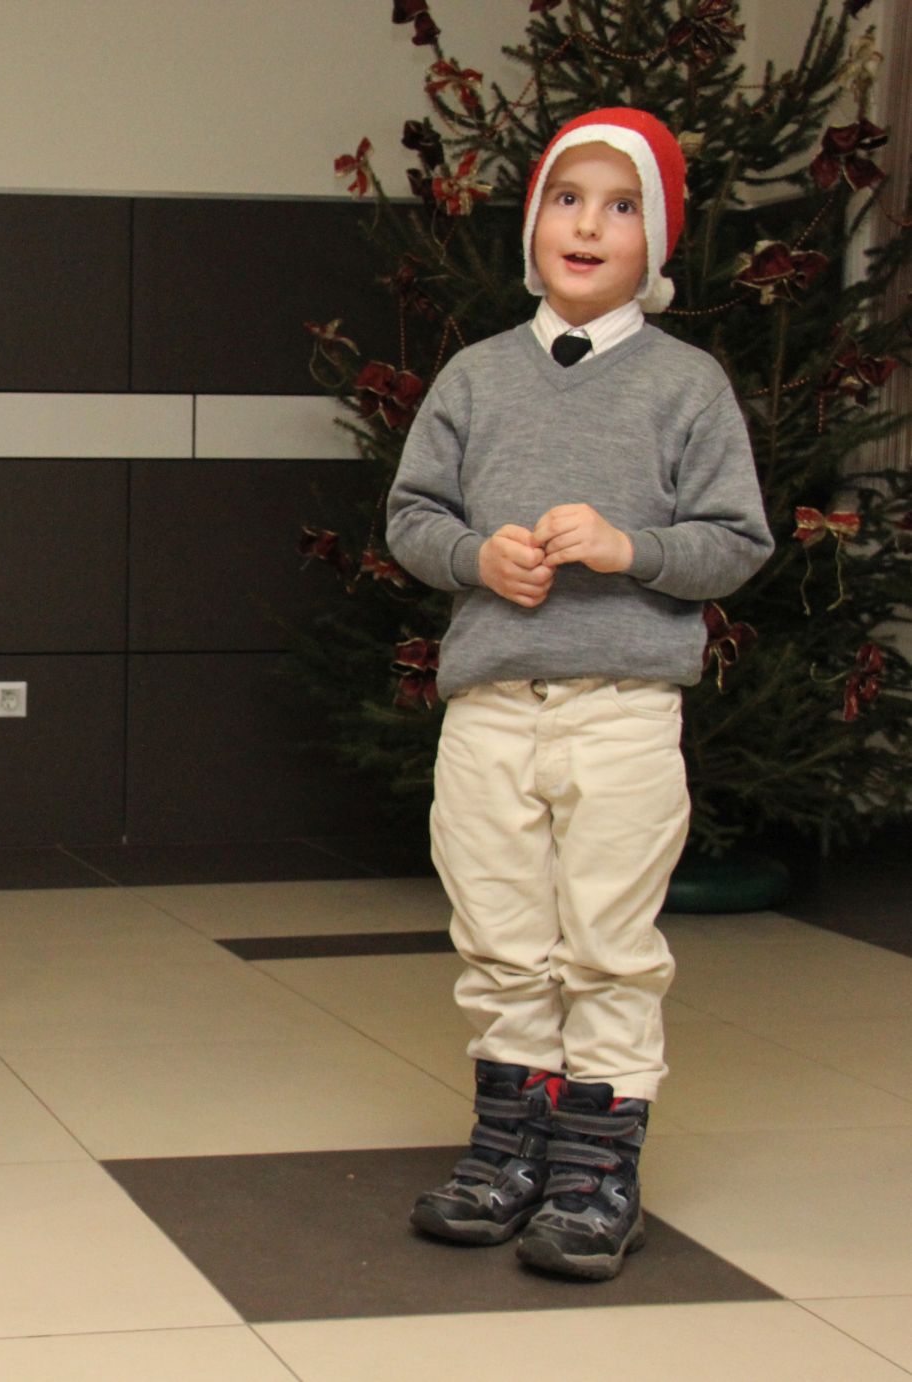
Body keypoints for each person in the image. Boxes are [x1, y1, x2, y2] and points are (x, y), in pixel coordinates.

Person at [385, 109, 772, 1280]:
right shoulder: (474, 375)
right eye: (566, 199)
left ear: (655, 242)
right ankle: (508, 1146)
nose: (588, 225)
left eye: (619, 206)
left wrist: (629, 547)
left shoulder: (686, 386)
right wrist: (474, 557)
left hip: (621, 709)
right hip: (492, 710)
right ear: (533, 225)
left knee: (606, 940)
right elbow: (412, 517)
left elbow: (734, 541)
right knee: (500, 935)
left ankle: (596, 1168)